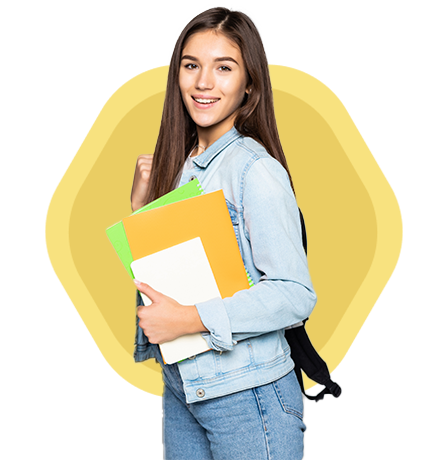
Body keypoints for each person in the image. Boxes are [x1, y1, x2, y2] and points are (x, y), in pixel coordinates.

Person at [130, 7, 317, 460]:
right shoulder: (181, 167)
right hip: (185, 387)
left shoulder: (255, 171)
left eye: (224, 68)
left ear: (249, 84)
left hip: (247, 398)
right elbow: (171, 281)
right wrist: (142, 210)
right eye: (191, 65)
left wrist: (191, 319)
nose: (203, 82)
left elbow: (295, 294)